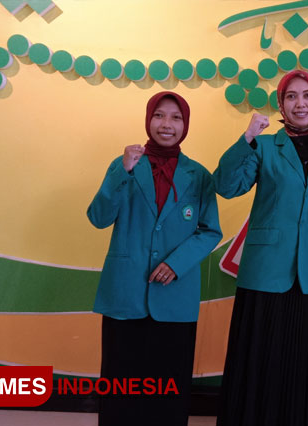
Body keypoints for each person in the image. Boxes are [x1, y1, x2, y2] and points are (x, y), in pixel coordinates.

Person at [213, 69, 308, 426]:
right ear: (280, 104)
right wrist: (246, 138)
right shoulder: (264, 146)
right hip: (264, 270)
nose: (300, 104)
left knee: (298, 360)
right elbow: (226, 186)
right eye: (291, 97)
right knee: (258, 356)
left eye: (307, 95)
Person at [87, 91, 222, 426]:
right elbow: (98, 217)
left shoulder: (199, 175)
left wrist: (176, 264)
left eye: (176, 118)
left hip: (175, 296)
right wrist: (122, 171)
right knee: (121, 381)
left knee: (169, 384)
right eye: (159, 115)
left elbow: (210, 231)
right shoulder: (124, 165)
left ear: (185, 125)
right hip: (126, 291)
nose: (167, 124)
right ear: (148, 120)